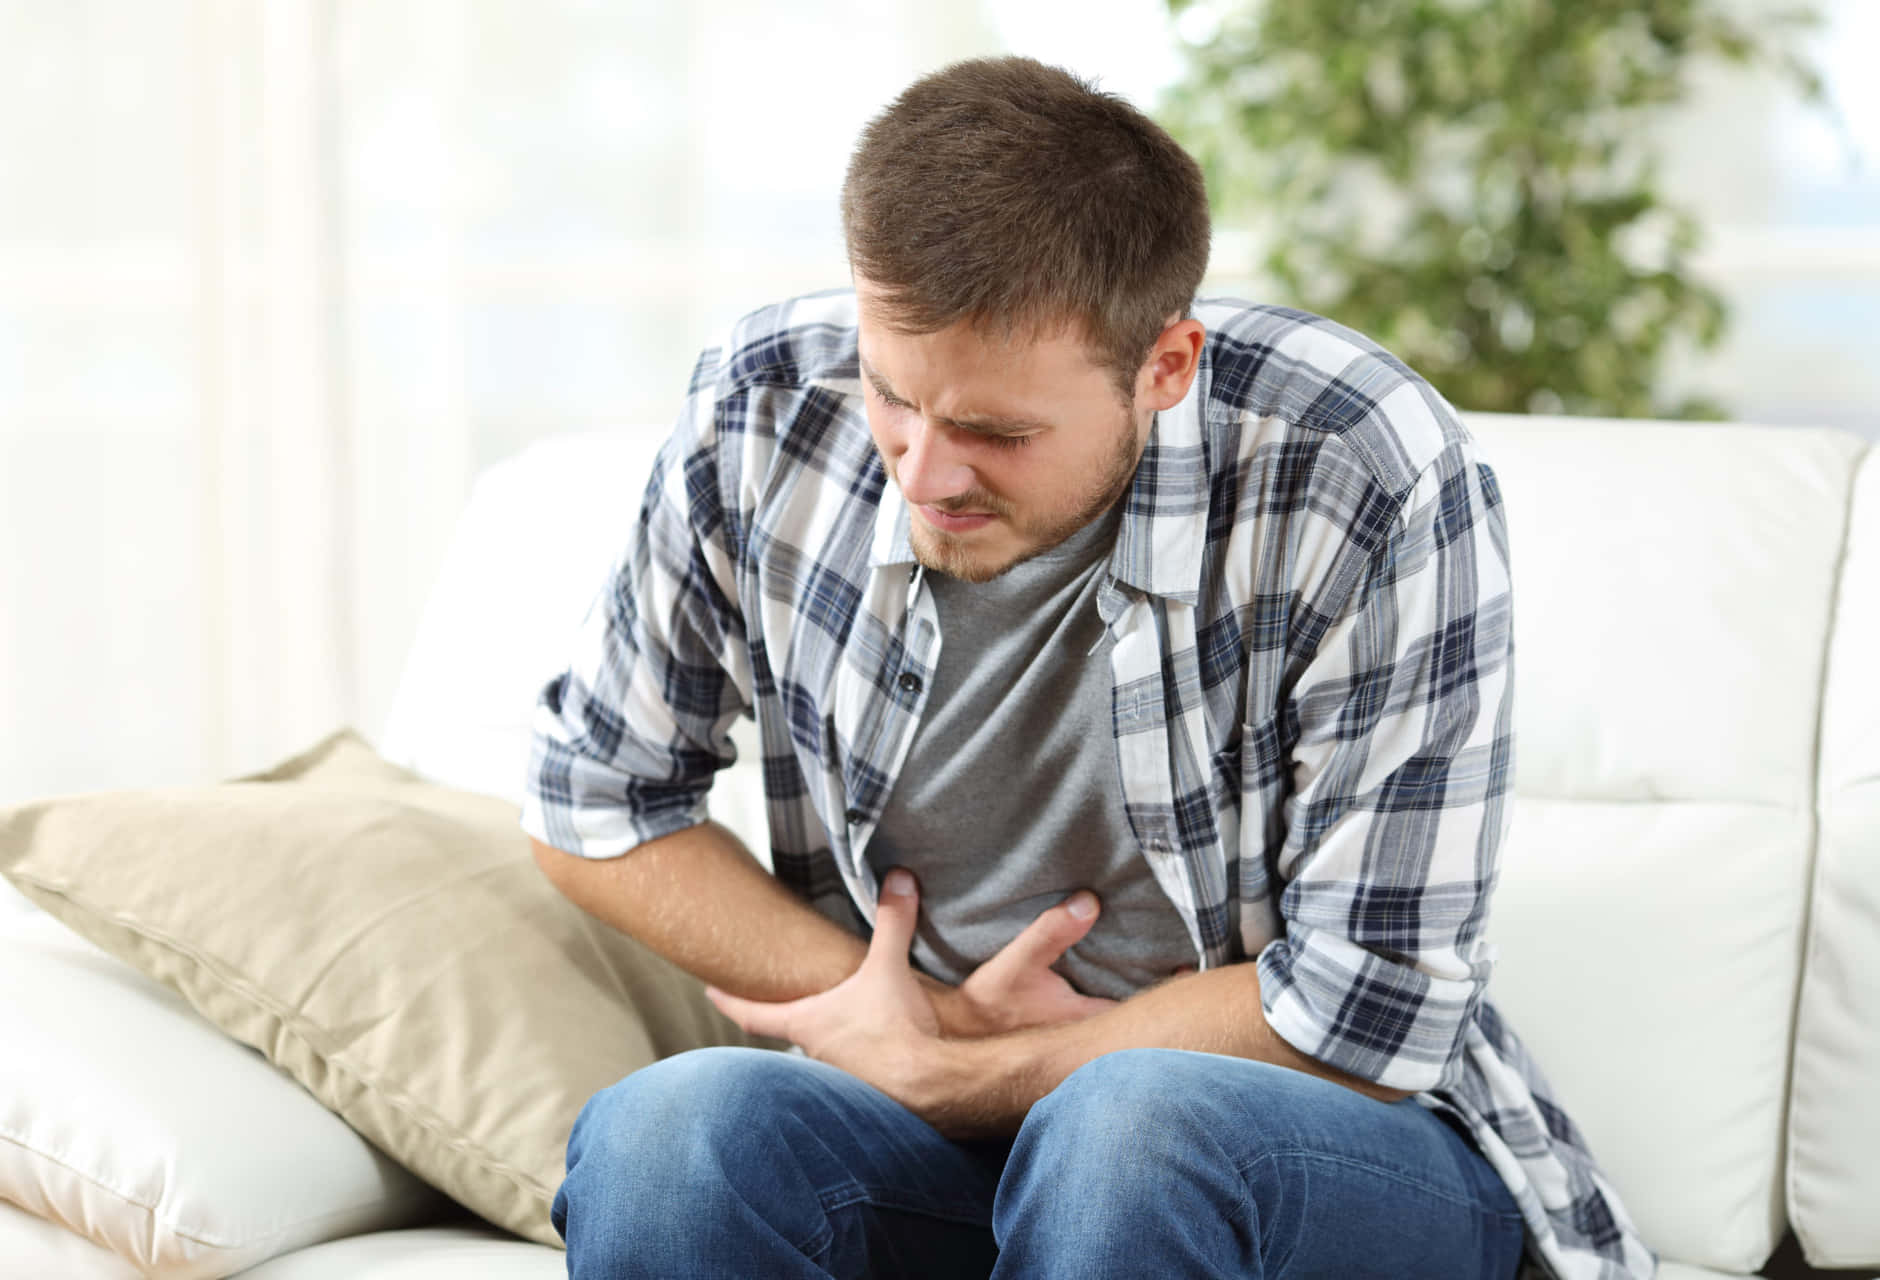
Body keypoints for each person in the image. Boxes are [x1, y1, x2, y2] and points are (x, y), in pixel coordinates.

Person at [521, 54, 1655, 1280]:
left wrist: (976, 1068)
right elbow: (594, 801)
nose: (925, 474)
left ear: (1164, 366)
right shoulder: (766, 407)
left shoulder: (1362, 465)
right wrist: (887, 1003)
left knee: (1125, 1133)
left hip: (1309, 1148)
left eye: (998, 433)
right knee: (667, 1136)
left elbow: (1364, 996)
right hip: (923, 1132)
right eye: (896, 399)